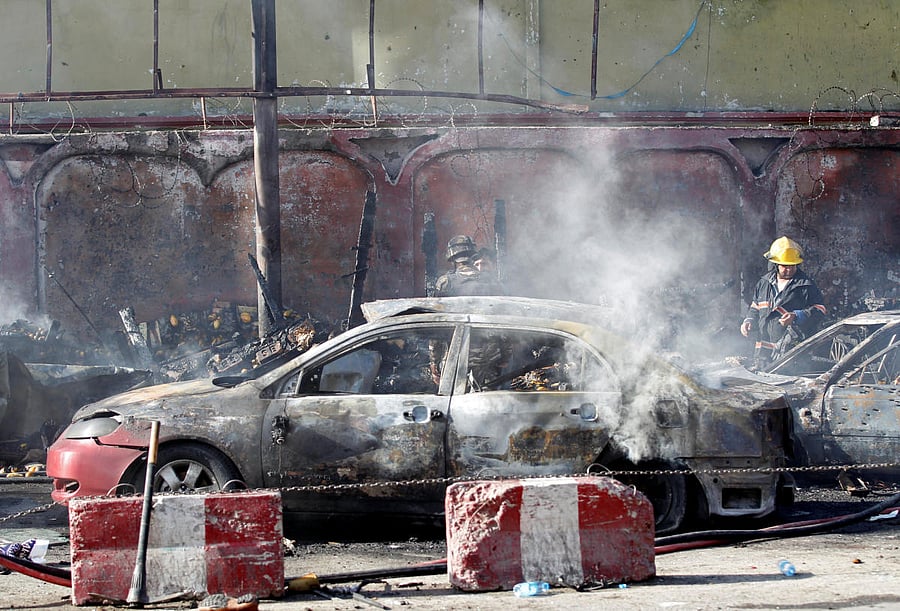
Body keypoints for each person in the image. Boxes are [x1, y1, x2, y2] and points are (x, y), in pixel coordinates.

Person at [740, 236, 827, 367]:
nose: (789, 270)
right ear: (776, 264)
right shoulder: (763, 283)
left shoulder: (806, 285)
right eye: (785, 266)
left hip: (792, 353)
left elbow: (821, 310)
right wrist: (748, 320)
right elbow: (755, 307)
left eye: (793, 266)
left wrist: (797, 316)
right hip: (764, 351)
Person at [435, 235, 499, 296]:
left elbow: (435, 305)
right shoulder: (491, 280)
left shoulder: (445, 282)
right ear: (474, 256)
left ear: (453, 260)